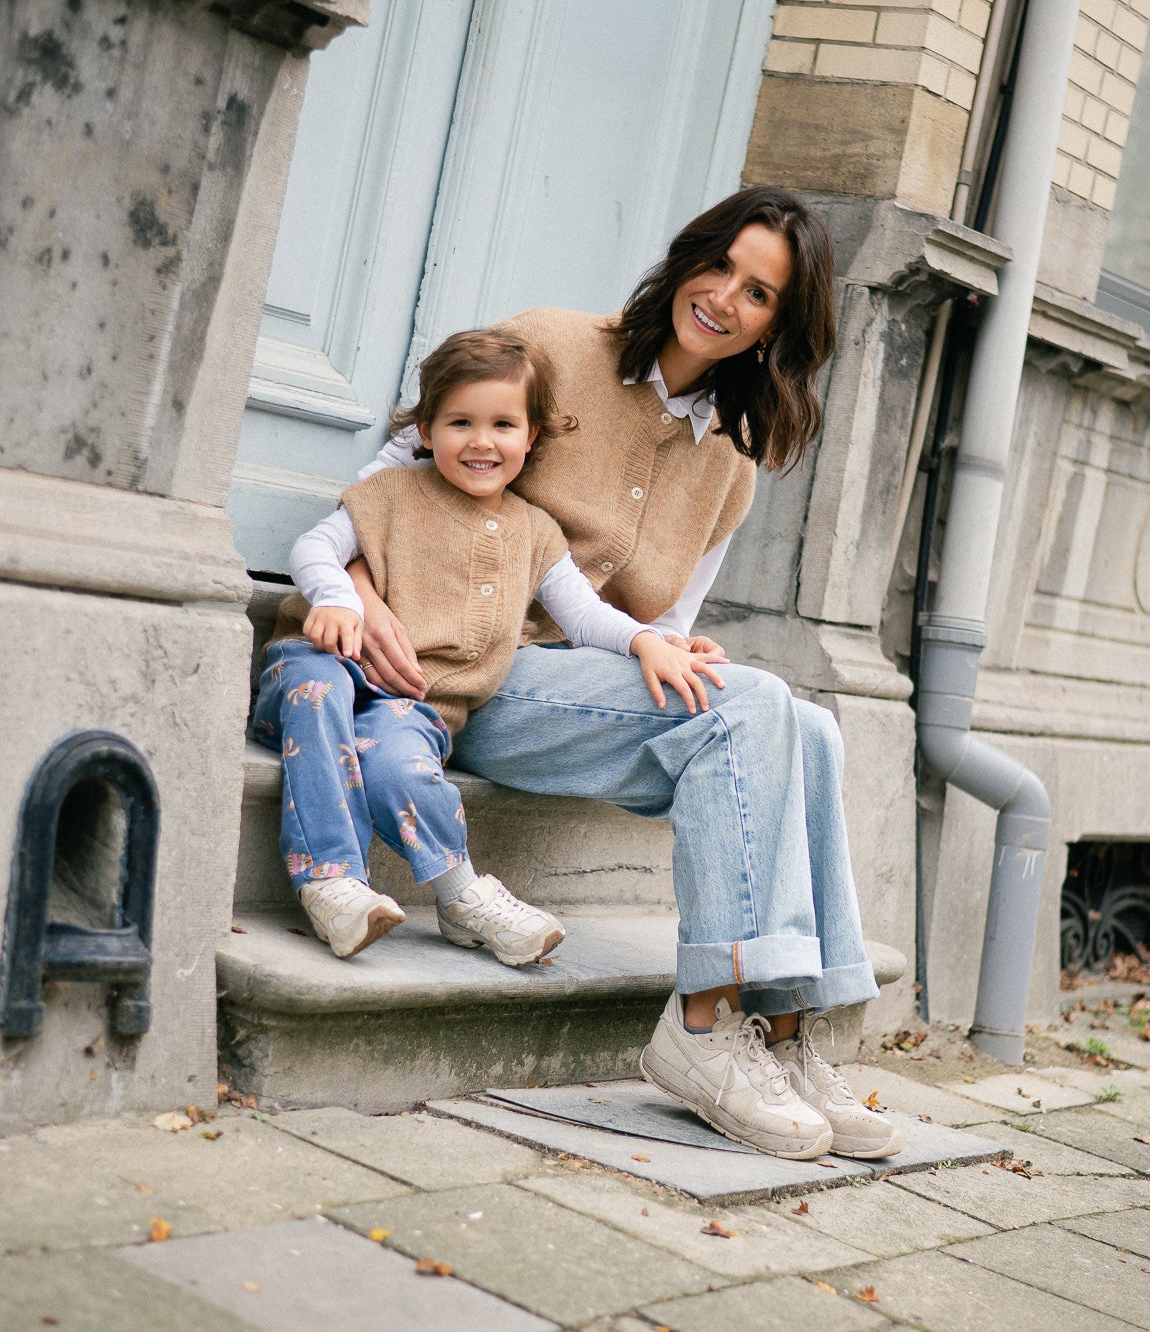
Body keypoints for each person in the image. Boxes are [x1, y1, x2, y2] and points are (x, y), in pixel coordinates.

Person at [346, 187, 902, 1161]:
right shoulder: (554, 346)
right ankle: (702, 1026)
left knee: (800, 723)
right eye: (719, 265)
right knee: (756, 711)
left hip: (583, 693)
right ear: (687, 255)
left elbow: (663, 621)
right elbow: (398, 466)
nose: (724, 297)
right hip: (475, 667)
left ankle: (779, 1030)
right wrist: (356, 602)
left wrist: (678, 650)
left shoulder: (731, 460)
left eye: (759, 293)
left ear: (781, 325)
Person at [255, 328, 724, 969]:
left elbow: (584, 616)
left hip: (411, 702)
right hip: (316, 665)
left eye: (503, 424)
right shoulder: (390, 494)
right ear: (424, 430)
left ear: (531, 438)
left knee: (402, 767)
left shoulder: (538, 534)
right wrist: (340, 599)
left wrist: (648, 639)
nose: (481, 440)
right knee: (322, 689)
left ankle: (461, 897)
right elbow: (314, 547)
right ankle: (330, 880)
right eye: (460, 422)